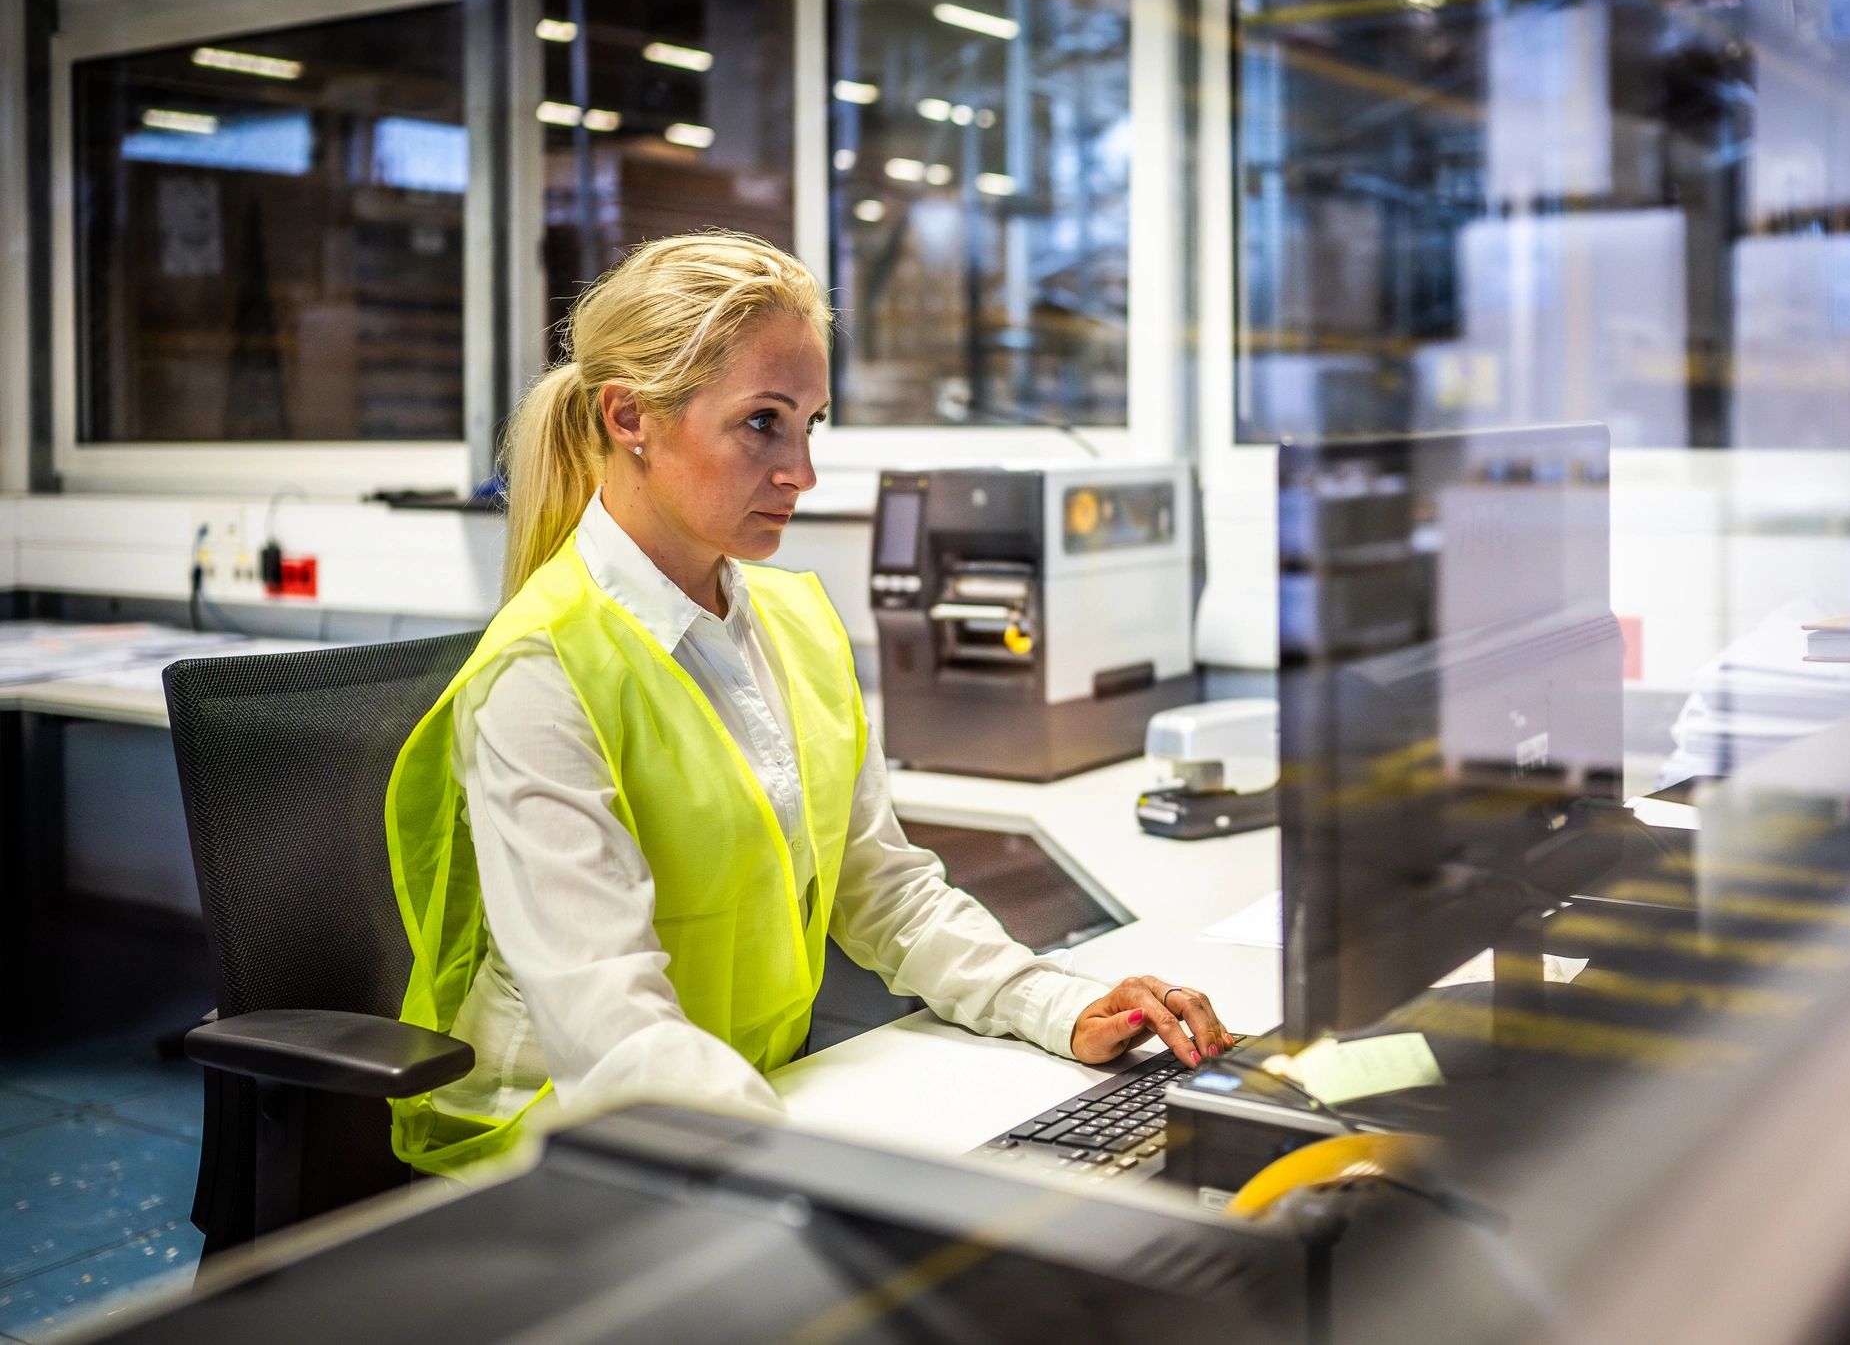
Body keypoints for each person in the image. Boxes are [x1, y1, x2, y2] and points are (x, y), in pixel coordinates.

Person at [385, 231, 1232, 1175]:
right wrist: (816, 1177)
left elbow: (884, 890)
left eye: (810, 424)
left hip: (748, 1105)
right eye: (761, 423)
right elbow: (609, 1025)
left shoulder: (789, 619)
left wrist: (1057, 1003)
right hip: (560, 1148)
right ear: (630, 416)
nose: (801, 471)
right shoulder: (540, 672)